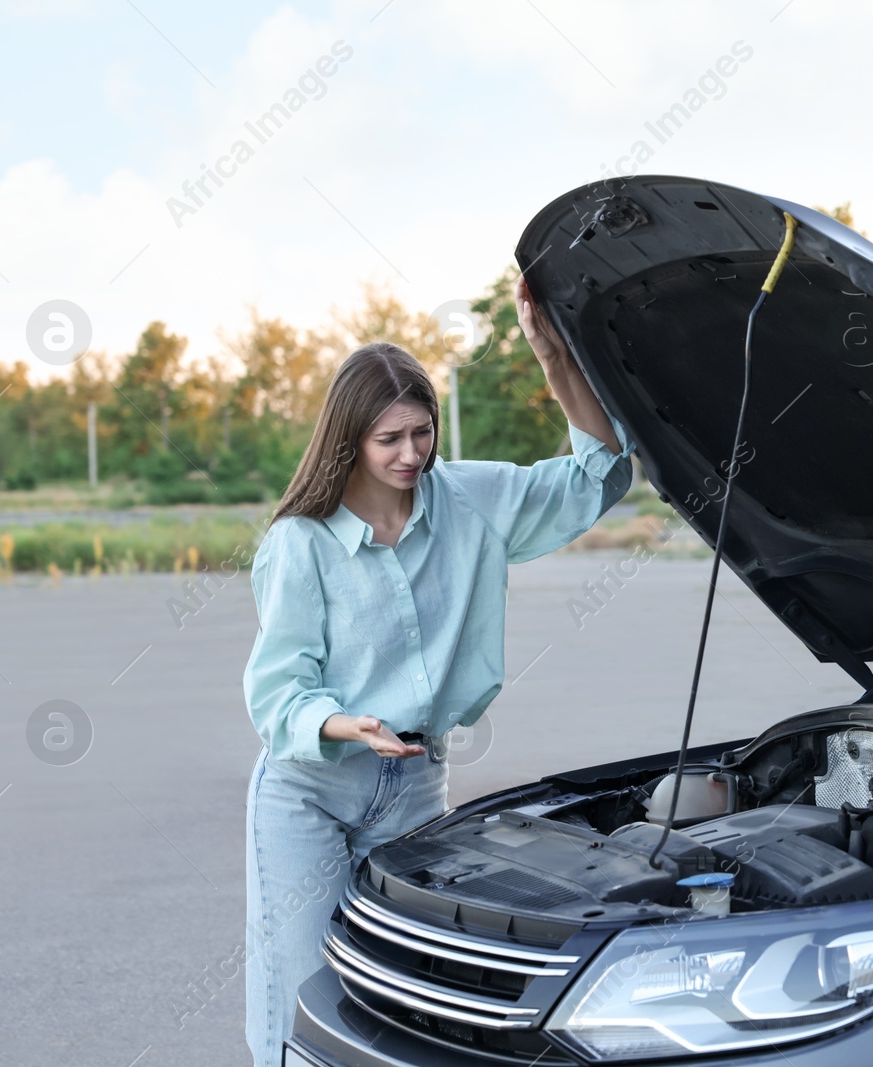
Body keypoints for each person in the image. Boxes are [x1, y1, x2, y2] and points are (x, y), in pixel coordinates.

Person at [241, 277, 633, 1065]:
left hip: (416, 782)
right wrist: (341, 722)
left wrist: (553, 358)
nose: (410, 454)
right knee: (303, 989)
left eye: (421, 432)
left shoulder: (469, 499)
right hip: (310, 788)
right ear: (349, 439)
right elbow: (280, 688)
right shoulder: (301, 542)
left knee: (402, 991)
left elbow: (598, 476)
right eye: (389, 439)